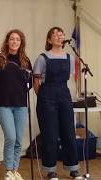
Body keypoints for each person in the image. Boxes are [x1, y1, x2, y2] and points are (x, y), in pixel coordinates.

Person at [33, 26, 83, 180]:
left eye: (60, 34)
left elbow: (69, 77)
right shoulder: (42, 58)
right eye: (54, 34)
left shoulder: (70, 57)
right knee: (50, 134)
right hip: (47, 97)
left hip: (64, 96)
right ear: (49, 40)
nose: (58, 35)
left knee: (68, 132)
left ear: (63, 38)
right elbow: (36, 81)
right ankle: (50, 170)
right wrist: (43, 97)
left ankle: (73, 168)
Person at [0, 29, 32, 180]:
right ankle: (8, 170)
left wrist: (24, 85)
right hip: (4, 104)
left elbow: (30, 83)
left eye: (17, 39)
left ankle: (14, 170)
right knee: (11, 137)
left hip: (21, 105)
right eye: (12, 39)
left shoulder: (25, 61)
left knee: (19, 139)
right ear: (7, 41)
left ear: (21, 43)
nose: (14, 42)